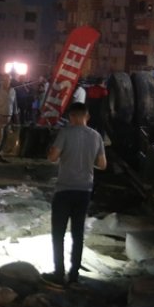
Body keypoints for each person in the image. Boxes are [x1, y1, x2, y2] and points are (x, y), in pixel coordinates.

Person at [42, 102, 107, 288]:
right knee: (78, 234)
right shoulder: (96, 137)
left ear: (71, 116)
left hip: (64, 189)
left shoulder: (65, 133)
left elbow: (52, 157)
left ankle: (58, 273)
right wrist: (87, 164)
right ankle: (74, 276)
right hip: (84, 190)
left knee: (58, 234)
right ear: (87, 116)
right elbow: (103, 165)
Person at [0, 73, 17, 162]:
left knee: (5, 137)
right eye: (4, 80)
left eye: (8, 80)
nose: (6, 82)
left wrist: (15, 115)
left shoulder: (13, 91)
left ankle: (0, 153)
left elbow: (14, 104)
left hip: (8, 117)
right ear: (1, 81)